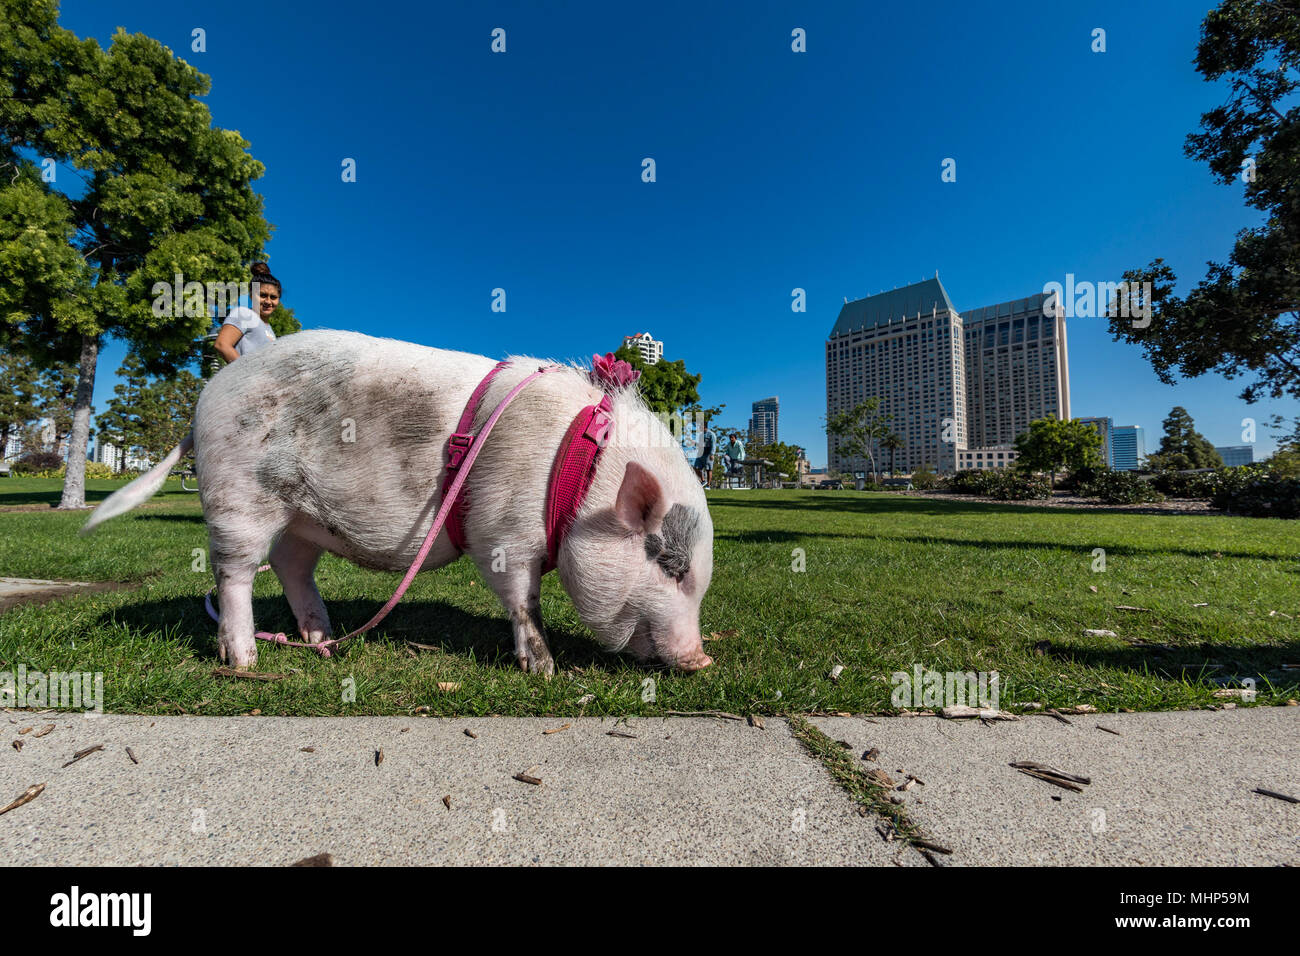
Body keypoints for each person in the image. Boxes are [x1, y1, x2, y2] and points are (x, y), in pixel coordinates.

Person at [214, 262, 281, 362]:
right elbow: (222, 345)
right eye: (262, 295)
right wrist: (248, 375)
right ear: (251, 295)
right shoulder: (244, 314)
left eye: (273, 297)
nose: (268, 301)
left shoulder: (270, 330)